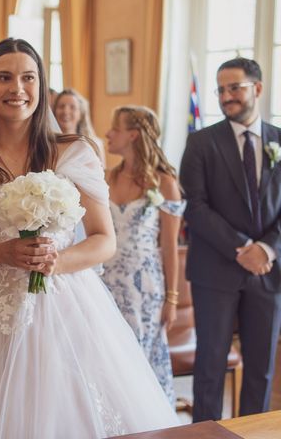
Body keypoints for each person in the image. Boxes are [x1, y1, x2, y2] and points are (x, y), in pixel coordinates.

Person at [0, 38, 179, 438]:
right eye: (4, 77)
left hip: (66, 308)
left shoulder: (74, 150)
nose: (16, 89)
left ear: (42, 87)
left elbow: (103, 239)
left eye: (28, 78)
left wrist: (56, 260)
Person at [180, 57, 281, 421]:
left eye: (234, 87)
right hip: (215, 272)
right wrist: (243, 250)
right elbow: (195, 207)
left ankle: (254, 432)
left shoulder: (279, 141)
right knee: (210, 366)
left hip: (268, 272)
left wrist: (266, 249)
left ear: (257, 88)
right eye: (221, 90)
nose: (226, 96)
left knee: (261, 369)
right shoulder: (201, 142)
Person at [102, 105, 184, 405]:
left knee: (140, 363)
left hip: (145, 289)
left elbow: (170, 247)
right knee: (109, 361)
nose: (108, 134)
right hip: (106, 284)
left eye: (115, 128)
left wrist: (171, 298)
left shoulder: (164, 183)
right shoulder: (106, 177)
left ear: (133, 135)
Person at [53, 88, 106, 166]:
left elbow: (102, 174)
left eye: (72, 107)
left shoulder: (94, 144)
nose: (66, 111)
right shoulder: (47, 143)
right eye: (61, 106)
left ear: (81, 114)